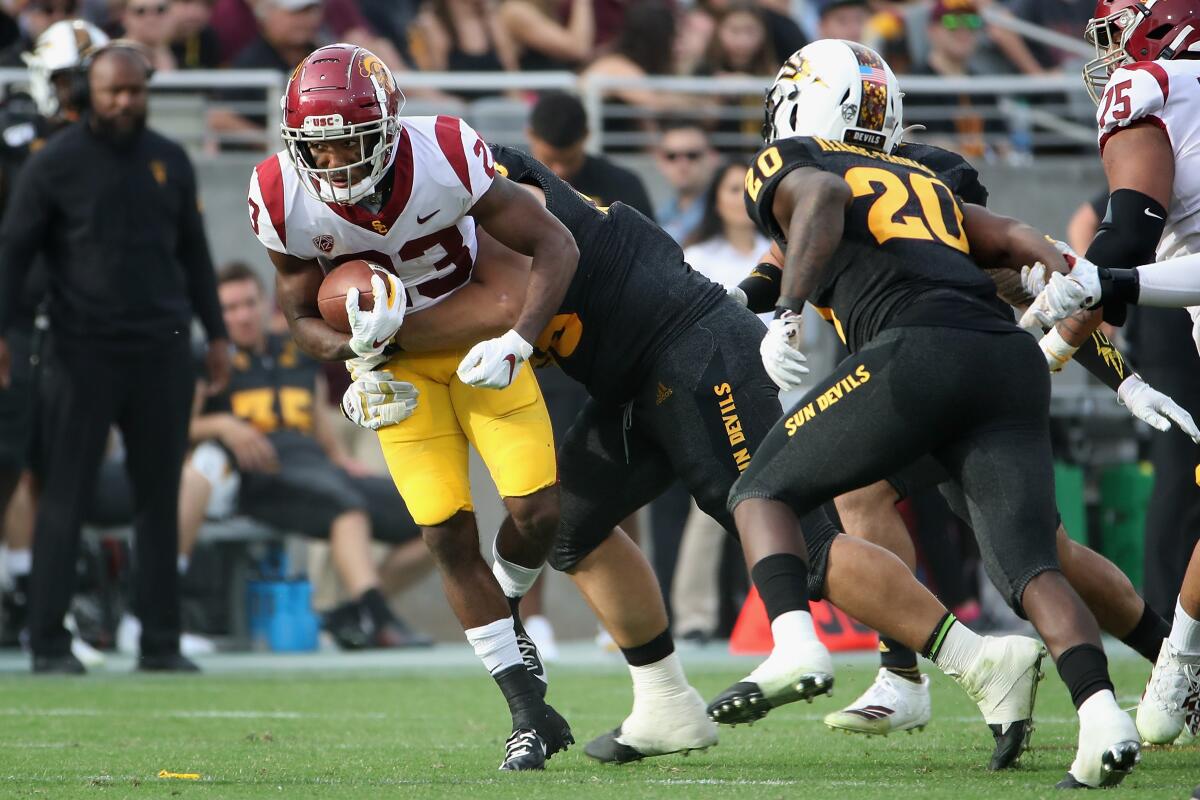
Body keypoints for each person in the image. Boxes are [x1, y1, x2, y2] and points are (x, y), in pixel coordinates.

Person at [354, 137, 1056, 772]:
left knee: (798, 541)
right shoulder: (441, 203)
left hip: (688, 346)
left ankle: (979, 657)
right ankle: (665, 703)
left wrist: (385, 339)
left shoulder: (479, 177)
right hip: (628, 374)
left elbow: (510, 297)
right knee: (572, 528)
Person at [730, 39, 1138, 787]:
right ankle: (1103, 716)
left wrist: (786, 315)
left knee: (759, 491)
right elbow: (1024, 250)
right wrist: (1119, 365)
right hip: (1007, 364)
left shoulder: (796, 165)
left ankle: (800, 644)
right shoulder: (925, 178)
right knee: (1032, 564)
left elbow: (819, 205)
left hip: (917, 360)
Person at [249, 44, 579, 771]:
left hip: (477, 347)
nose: (332, 164)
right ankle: (526, 712)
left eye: (348, 142)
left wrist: (522, 341)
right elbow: (301, 316)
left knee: (538, 513)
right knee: (443, 537)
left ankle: (511, 604)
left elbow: (555, 243)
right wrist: (350, 358)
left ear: (389, 127)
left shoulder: (445, 151)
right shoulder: (281, 193)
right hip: (396, 374)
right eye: (318, 146)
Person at [0, 44, 230, 674]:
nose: (124, 101)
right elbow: (14, 251)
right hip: (80, 351)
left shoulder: (170, 160)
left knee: (158, 496)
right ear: (88, 93)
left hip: (162, 350)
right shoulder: (54, 166)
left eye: (134, 90)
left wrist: (216, 334)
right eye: (111, 92)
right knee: (63, 495)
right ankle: (47, 643)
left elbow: (196, 256)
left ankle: (160, 642)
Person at [1012, 0, 1200, 747]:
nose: (1111, 54)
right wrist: (1076, 327)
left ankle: (1177, 674)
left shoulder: (1151, 85)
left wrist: (1067, 324)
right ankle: (1178, 668)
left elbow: (1129, 235)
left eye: (1116, 31)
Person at [191, 263, 433, 649]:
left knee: (432, 519)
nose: (242, 315)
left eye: (248, 303)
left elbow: (315, 409)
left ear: (263, 305)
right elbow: (181, 429)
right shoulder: (212, 362)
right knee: (345, 507)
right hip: (261, 476)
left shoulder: (294, 351)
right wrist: (222, 425)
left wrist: (339, 457)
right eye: (230, 307)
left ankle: (360, 611)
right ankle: (377, 619)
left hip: (318, 468)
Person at [0, 18, 108, 650]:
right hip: (19, 325)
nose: (77, 96)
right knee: (9, 460)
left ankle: (39, 600)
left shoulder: (117, 151)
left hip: (73, 330)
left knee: (56, 471)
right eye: (71, 82)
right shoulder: (24, 142)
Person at [525, 91, 654, 218]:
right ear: (530, 135)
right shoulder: (513, 185)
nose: (560, 171)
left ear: (586, 135)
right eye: (549, 160)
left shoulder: (623, 186)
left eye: (569, 161)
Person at [654, 120, 717, 245]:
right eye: (671, 156)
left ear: (712, 158)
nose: (682, 164)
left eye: (692, 155)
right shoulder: (658, 216)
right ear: (660, 161)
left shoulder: (728, 214)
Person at [496, 0, 593, 72]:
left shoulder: (547, 10)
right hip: (536, 93)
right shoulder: (515, 10)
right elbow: (577, 49)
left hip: (554, 88)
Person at [118, 0, 175, 71]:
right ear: (124, 17)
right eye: (140, 11)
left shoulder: (179, 50)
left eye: (160, 10)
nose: (152, 19)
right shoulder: (115, 58)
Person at [168, 0, 221, 70]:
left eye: (205, 5)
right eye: (186, 3)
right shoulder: (153, 42)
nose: (195, 13)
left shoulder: (207, 38)